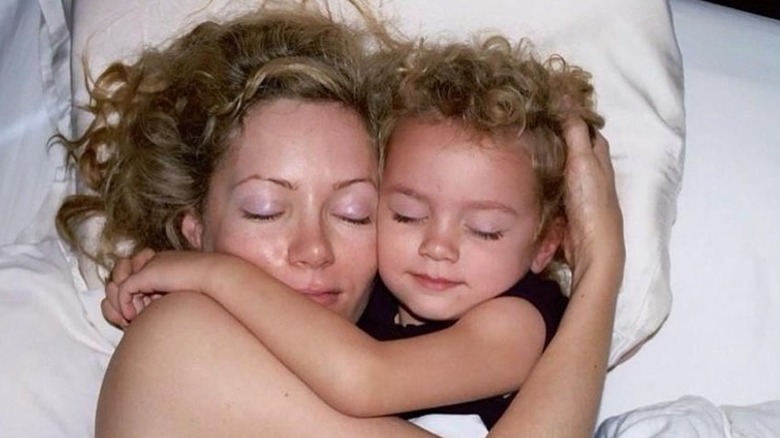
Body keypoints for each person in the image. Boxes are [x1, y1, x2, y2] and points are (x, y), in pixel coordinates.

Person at [57, 1, 624, 437]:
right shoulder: (176, 341)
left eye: (354, 213)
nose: (314, 250)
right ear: (193, 229)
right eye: (265, 209)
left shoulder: (492, 320)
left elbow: (363, 375)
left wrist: (603, 260)